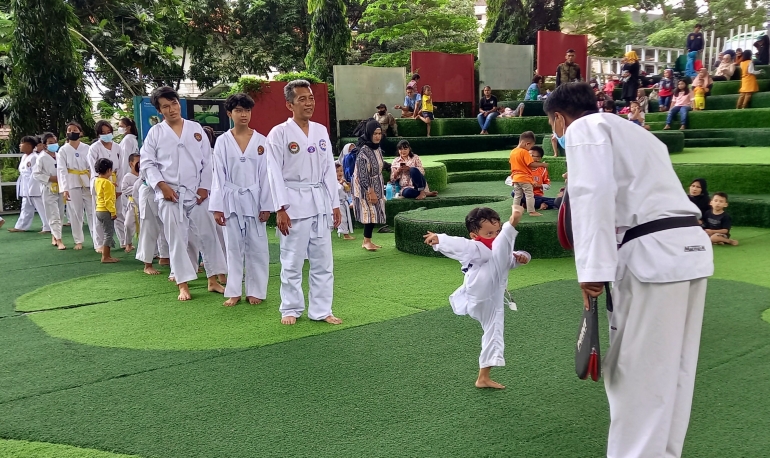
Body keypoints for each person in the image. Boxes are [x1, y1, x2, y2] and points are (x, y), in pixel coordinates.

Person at [544, 82, 713, 458]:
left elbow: (592, 193)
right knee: (675, 370)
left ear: (559, 118)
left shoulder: (584, 129)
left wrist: (591, 270)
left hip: (651, 256)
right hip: (690, 249)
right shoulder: (636, 132)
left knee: (634, 375)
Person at [423, 205, 530, 389]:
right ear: (475, 235)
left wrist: (523, 257)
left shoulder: (500, 252)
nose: (494, 236)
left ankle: (483, 377)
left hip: (492, 299)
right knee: (499, 253)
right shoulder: (474, 247)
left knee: (494, 330)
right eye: (489, 233)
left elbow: (508, 259)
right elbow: (460, 244)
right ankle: (512, 223)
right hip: (478, 290)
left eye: (497, 231)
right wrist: (440, 239)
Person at [265, 79, 342, 325]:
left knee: (323, 262)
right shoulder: (279, 133)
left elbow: (330, 168)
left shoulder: (320, 130)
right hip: (293, 202)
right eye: (302, 99)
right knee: (292, 261)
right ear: (290, 105)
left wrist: (335, 203)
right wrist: (280, 208)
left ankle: (321, 310)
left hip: (319, 201)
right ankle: (290, 308)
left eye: (310, 98)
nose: (309, 103)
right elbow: (273, 172)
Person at [140, 86, 227, 301]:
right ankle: (183, 284)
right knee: (177, 239)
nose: (172, 109)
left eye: (174, 103)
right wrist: (162, 185)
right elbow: (147, 163)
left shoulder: (196, 128)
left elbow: (207, 161)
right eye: (166, 106)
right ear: (160, 111)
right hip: (170, 195)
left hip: (197, 193)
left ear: (180, 103)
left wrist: (204, 186)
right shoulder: (156, 133)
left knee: (208, 235)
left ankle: (212, 280)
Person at [209, 93, 274, 307]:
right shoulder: (222, 142)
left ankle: (256, 290)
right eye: (238, 110)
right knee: (233, 246)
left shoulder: (262, 141)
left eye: (246, 110)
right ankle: (234, 290)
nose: (243, 114)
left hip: (255, 199)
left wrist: (267, 205)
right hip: (231, 198)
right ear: (230, 113)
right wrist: (218, 207)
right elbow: (218, 175)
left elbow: (266, 175)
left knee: (257, 246)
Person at [55, 121, 94, 250]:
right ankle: (78, 240)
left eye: (75, 130)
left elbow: (92, 166)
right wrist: (64, 189)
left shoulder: (87, 148)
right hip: (72, 182)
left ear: (80, 132)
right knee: (75, 213)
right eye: (69, 130)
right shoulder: (63, 150)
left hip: (87, 182)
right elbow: (61, 170)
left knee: (92, 212)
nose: (72, 132)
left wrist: (95, 182)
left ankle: (97, 241)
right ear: (67, 133)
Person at [88, 120, 125, 252]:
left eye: (108, 132)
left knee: (119, 213)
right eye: (103, 133)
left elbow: (121, 168)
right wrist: (104, 185)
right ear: (98, 134)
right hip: (100, 182)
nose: (106, 135)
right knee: (100, 214)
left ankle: (124, 241)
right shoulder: (94, 148)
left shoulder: (118, 147)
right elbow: (94, 169)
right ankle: (99, 244)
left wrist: (118, 187)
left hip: (116, 180)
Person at [352, 119, 387, 252]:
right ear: (369, 134)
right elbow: (362, 174)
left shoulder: (376, 148)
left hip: (376, 182)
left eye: (379, 133)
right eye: (375, 133)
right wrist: (369, 190)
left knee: (373, 212)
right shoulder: (363, 152)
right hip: (364, 185)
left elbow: (379, 165)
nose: (378, 136)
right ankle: (366, 241)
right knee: (370, 212)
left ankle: (367, 240)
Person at [134, 156, 171, 276]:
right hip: (150, 191)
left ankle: (165, 257)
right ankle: (147, 264)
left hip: (162, 192)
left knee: (165, 225)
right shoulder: (149, 151)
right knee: (149, 228)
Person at [31, 134, 66, 250]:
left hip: (61, 188)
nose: (53, 144)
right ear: (45, 145)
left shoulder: (59, 155)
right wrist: (50, 178)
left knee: (60, 214)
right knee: (53, 214)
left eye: (55, 141)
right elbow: (36, 174)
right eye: (50, 142)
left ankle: (54, 236)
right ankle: (59, 240)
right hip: (49, 188)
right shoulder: (41, 157)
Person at [9, 135, 49, 233]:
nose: (20, 145)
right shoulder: (24, 157)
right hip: (25, 184)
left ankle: (48, 227)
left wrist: (31, 188)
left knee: (42, 207)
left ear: (29, 145)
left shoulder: (35, 157)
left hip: (34, 186)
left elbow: (35, 174)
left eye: (22, 144)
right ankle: (21, 226)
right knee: (25, 207)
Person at [509, 131, 548, 217]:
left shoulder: (513, 152)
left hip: (516, 178)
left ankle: (515, 210)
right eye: (530, 146)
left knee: (517, 195)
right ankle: (531, 211)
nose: (530, 149)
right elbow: (531, 164)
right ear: (527, 143)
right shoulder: (524, 152)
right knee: (529, 195)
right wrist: (542, 165)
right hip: (524, 178)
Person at [93, 158, 119, 263]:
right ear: (108, 170)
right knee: (108, 233)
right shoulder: (107, 183)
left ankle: (107, 255)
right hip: (106, 210)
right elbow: (108, 200)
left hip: (99, 209)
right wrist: (113, 212)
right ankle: (106, 256)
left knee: (106, 232)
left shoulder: (97, 180)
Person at [512, 146, 554, 210]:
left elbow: (548, 186)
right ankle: (540, 204)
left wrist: (538, 185)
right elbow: (510, 179)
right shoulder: (523, 167)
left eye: (531, 155)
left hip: (536, 197)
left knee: (557, 200)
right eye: (527, 155)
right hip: (524, 194)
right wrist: (516, 182)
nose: (528, 157)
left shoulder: (543, 170)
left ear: (539, 158)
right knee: (514, 193)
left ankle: (531, 204)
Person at [121, 153, 140, 253]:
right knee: (128, 224)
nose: (139, 165)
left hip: (144, 203)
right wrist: (137, 187)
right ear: (131, 163)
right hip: (132, 204)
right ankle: (128, 243)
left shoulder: (143, 175)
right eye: (137, 162)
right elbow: (124, 190)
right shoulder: (127, 177)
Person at [335, 163, 355, 240]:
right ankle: (345, 235)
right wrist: (340, 184)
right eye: (337, 171)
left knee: (344, 218)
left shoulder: (343, 181)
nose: (339, 173)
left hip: (343, 202)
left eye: (341, 171)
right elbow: (336, 191)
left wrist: (347, 185)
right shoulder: (333, 182)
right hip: (337, 203)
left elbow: (347, 192)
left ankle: (345, 234)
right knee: (342, 218)